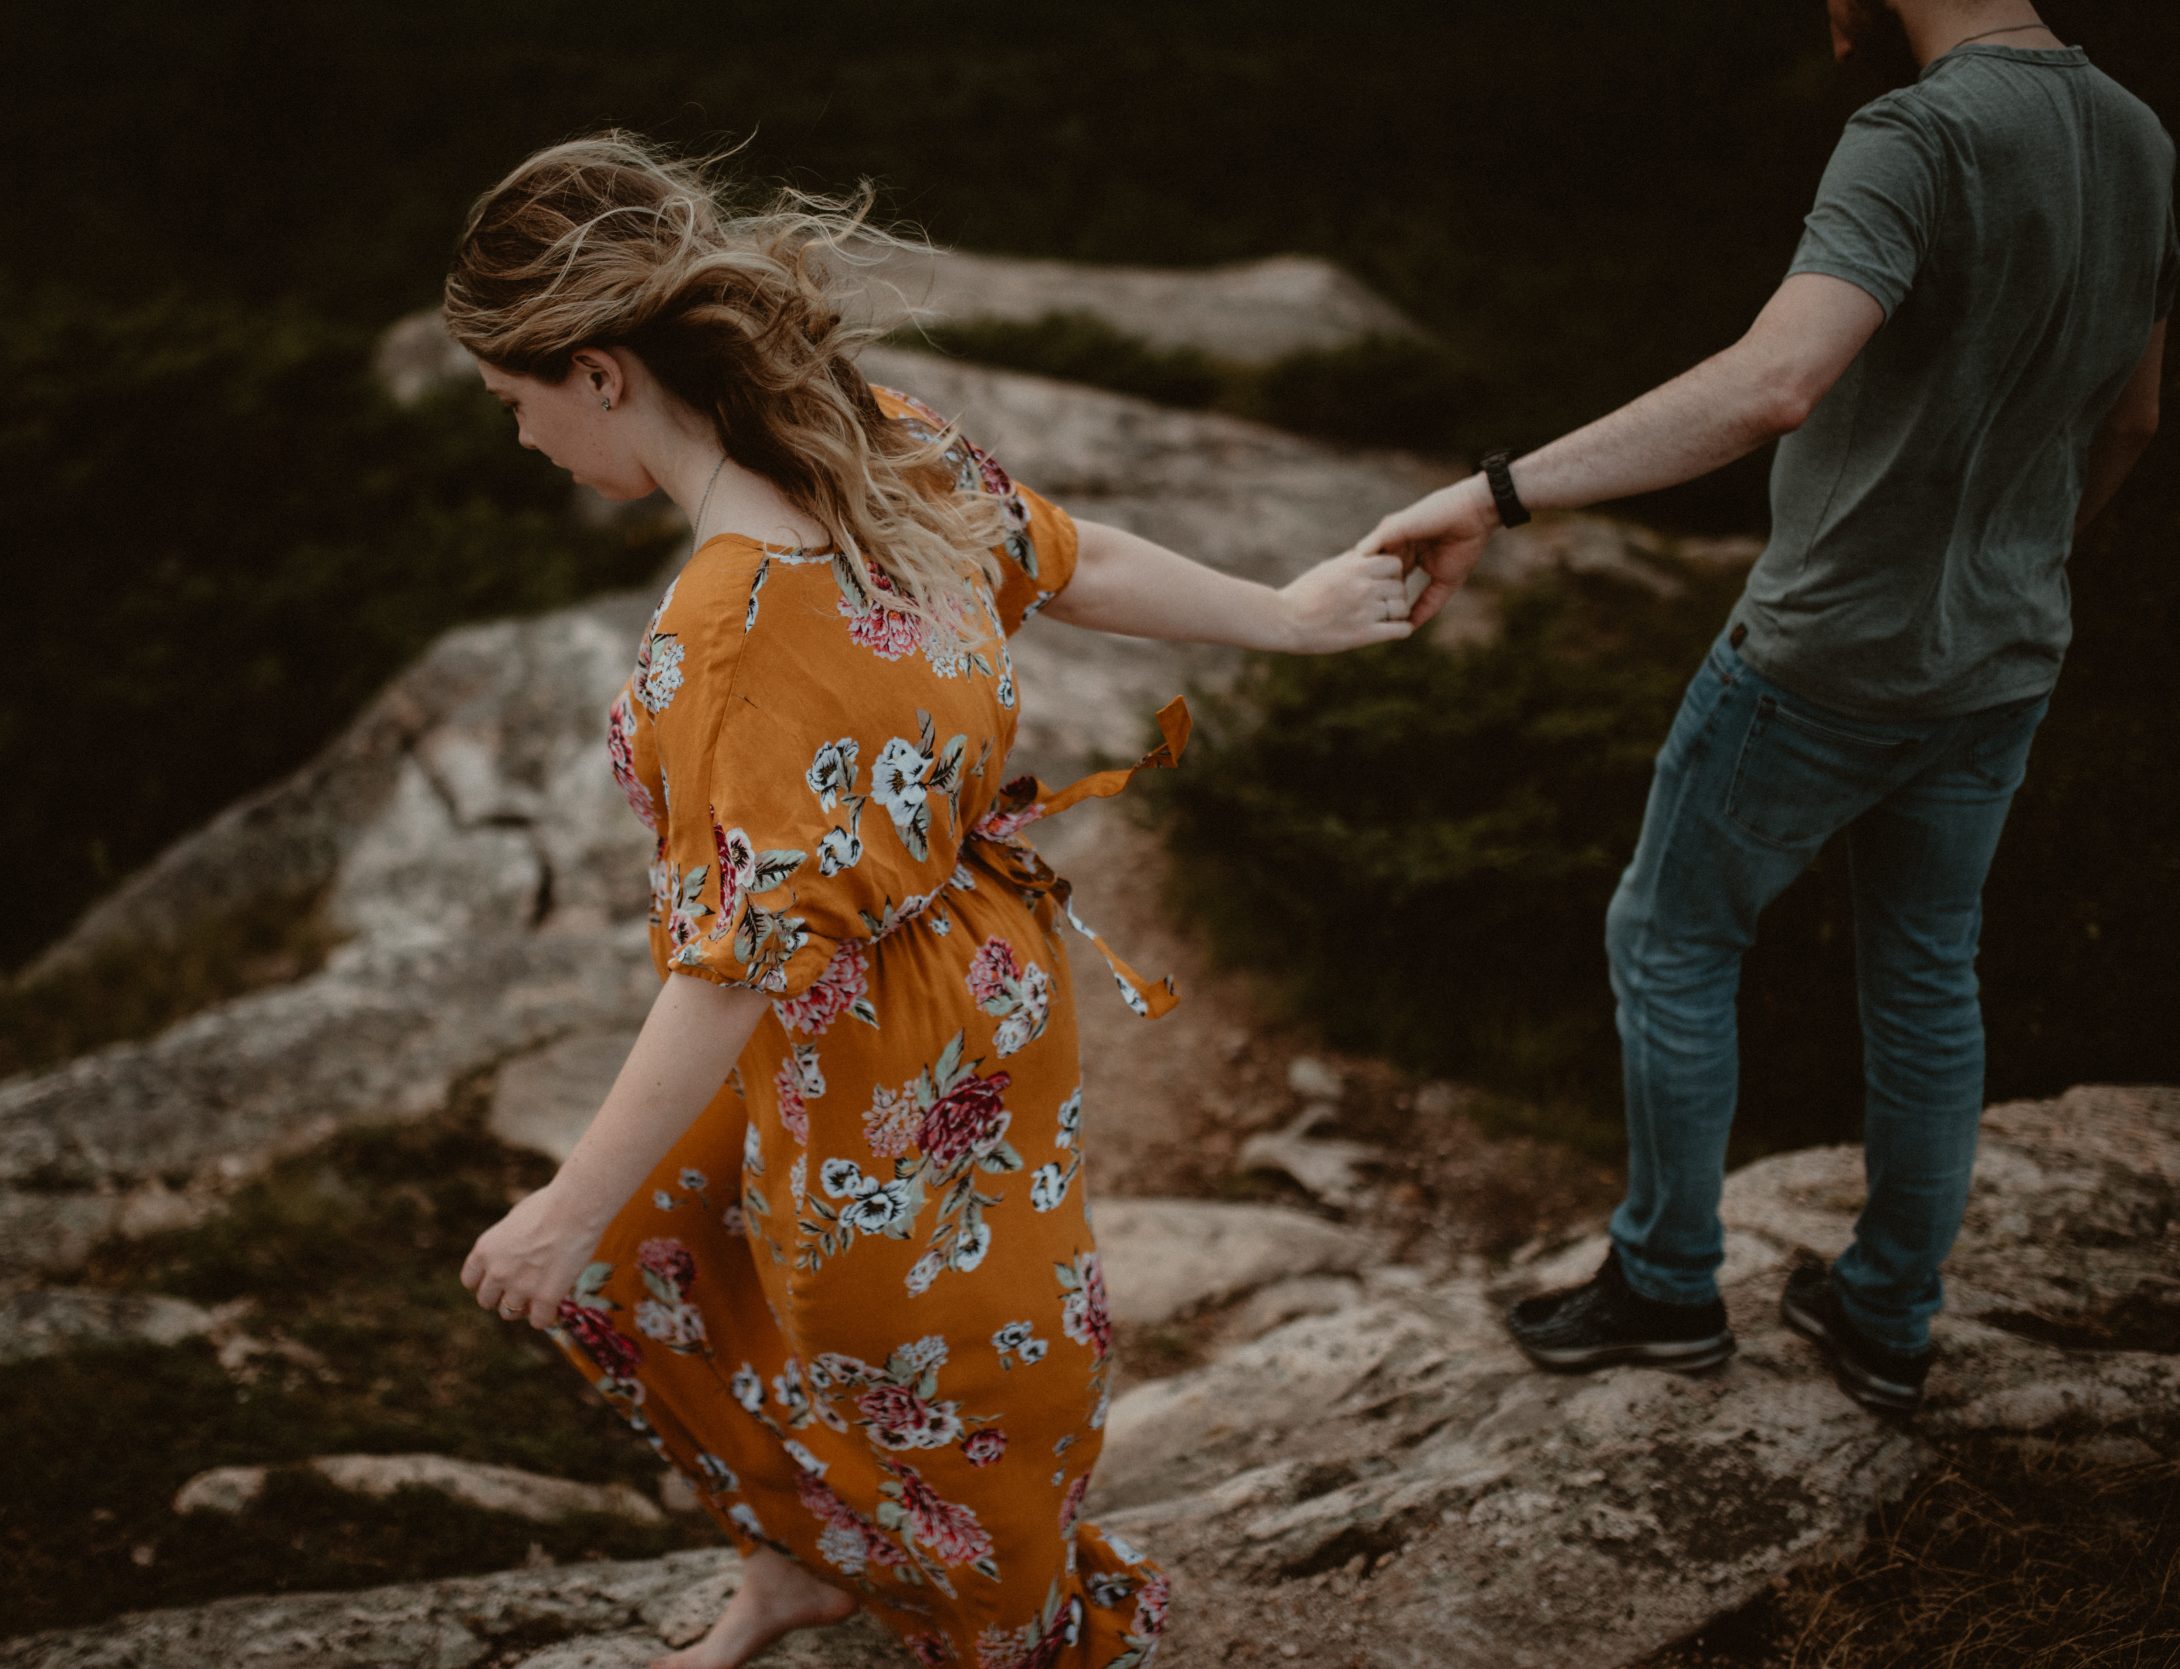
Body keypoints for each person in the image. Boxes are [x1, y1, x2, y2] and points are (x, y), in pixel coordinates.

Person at [445, 135, 1414, 1669]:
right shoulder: (869, 441)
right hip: (917, 974)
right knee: (650, 1255)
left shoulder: (741, 617)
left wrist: (559, 1206)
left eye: (519, 405)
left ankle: (1011, 1633)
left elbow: (735, 966)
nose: (523, 441)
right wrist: (1283, 615)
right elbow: (1065, 559)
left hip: (891, 1036)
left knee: (925, 1371)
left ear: (604, 373)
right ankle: (800, 1561)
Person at [1355, 0, 2173, 1416]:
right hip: (2004, 653)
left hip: (1820, 658)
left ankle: (1668, 1284)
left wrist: (1491, 493)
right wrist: (2021, 570)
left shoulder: (1914, 137)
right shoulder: (2141, 136)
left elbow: (1774, 382)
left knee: (1670, 935)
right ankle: (1886, 1312)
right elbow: (2136, 419)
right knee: (1927, 971)